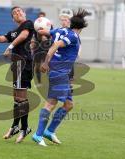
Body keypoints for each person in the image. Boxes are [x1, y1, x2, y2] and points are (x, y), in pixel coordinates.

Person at [32, 8, 90, 146]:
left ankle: (50, 131)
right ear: (81, 27)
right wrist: (46, 62)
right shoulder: (73, 37)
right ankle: (38, 134)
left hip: (64, 73)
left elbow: (43, 32)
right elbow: (56, 45)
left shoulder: (60, 30)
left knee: (69, 105)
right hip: (59, 72)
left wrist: (40, 27)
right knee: (51, 103)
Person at [0, 6, 34, 143]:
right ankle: (16, 126)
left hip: (24, 63)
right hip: (16, 65)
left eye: (20, 11)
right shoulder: (14, 31)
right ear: (13, 18)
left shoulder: (28, 24)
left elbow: (24, 36)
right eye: (15, 13)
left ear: (24, 13)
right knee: (17, 98)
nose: (18, 13)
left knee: (21, 97)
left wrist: (10, 47)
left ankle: (24, 128)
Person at [32, 11, 52, 87]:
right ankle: (39, 83)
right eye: (40, 17)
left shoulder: (49, 26)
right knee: (37, 66)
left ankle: (50, 81)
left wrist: (47, 40)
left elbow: (52, 36)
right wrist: (32, 42)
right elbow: (33, 37)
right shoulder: (35, 26)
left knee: (47, 65)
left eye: (43, 17)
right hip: (37, 48)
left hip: (46, 48)